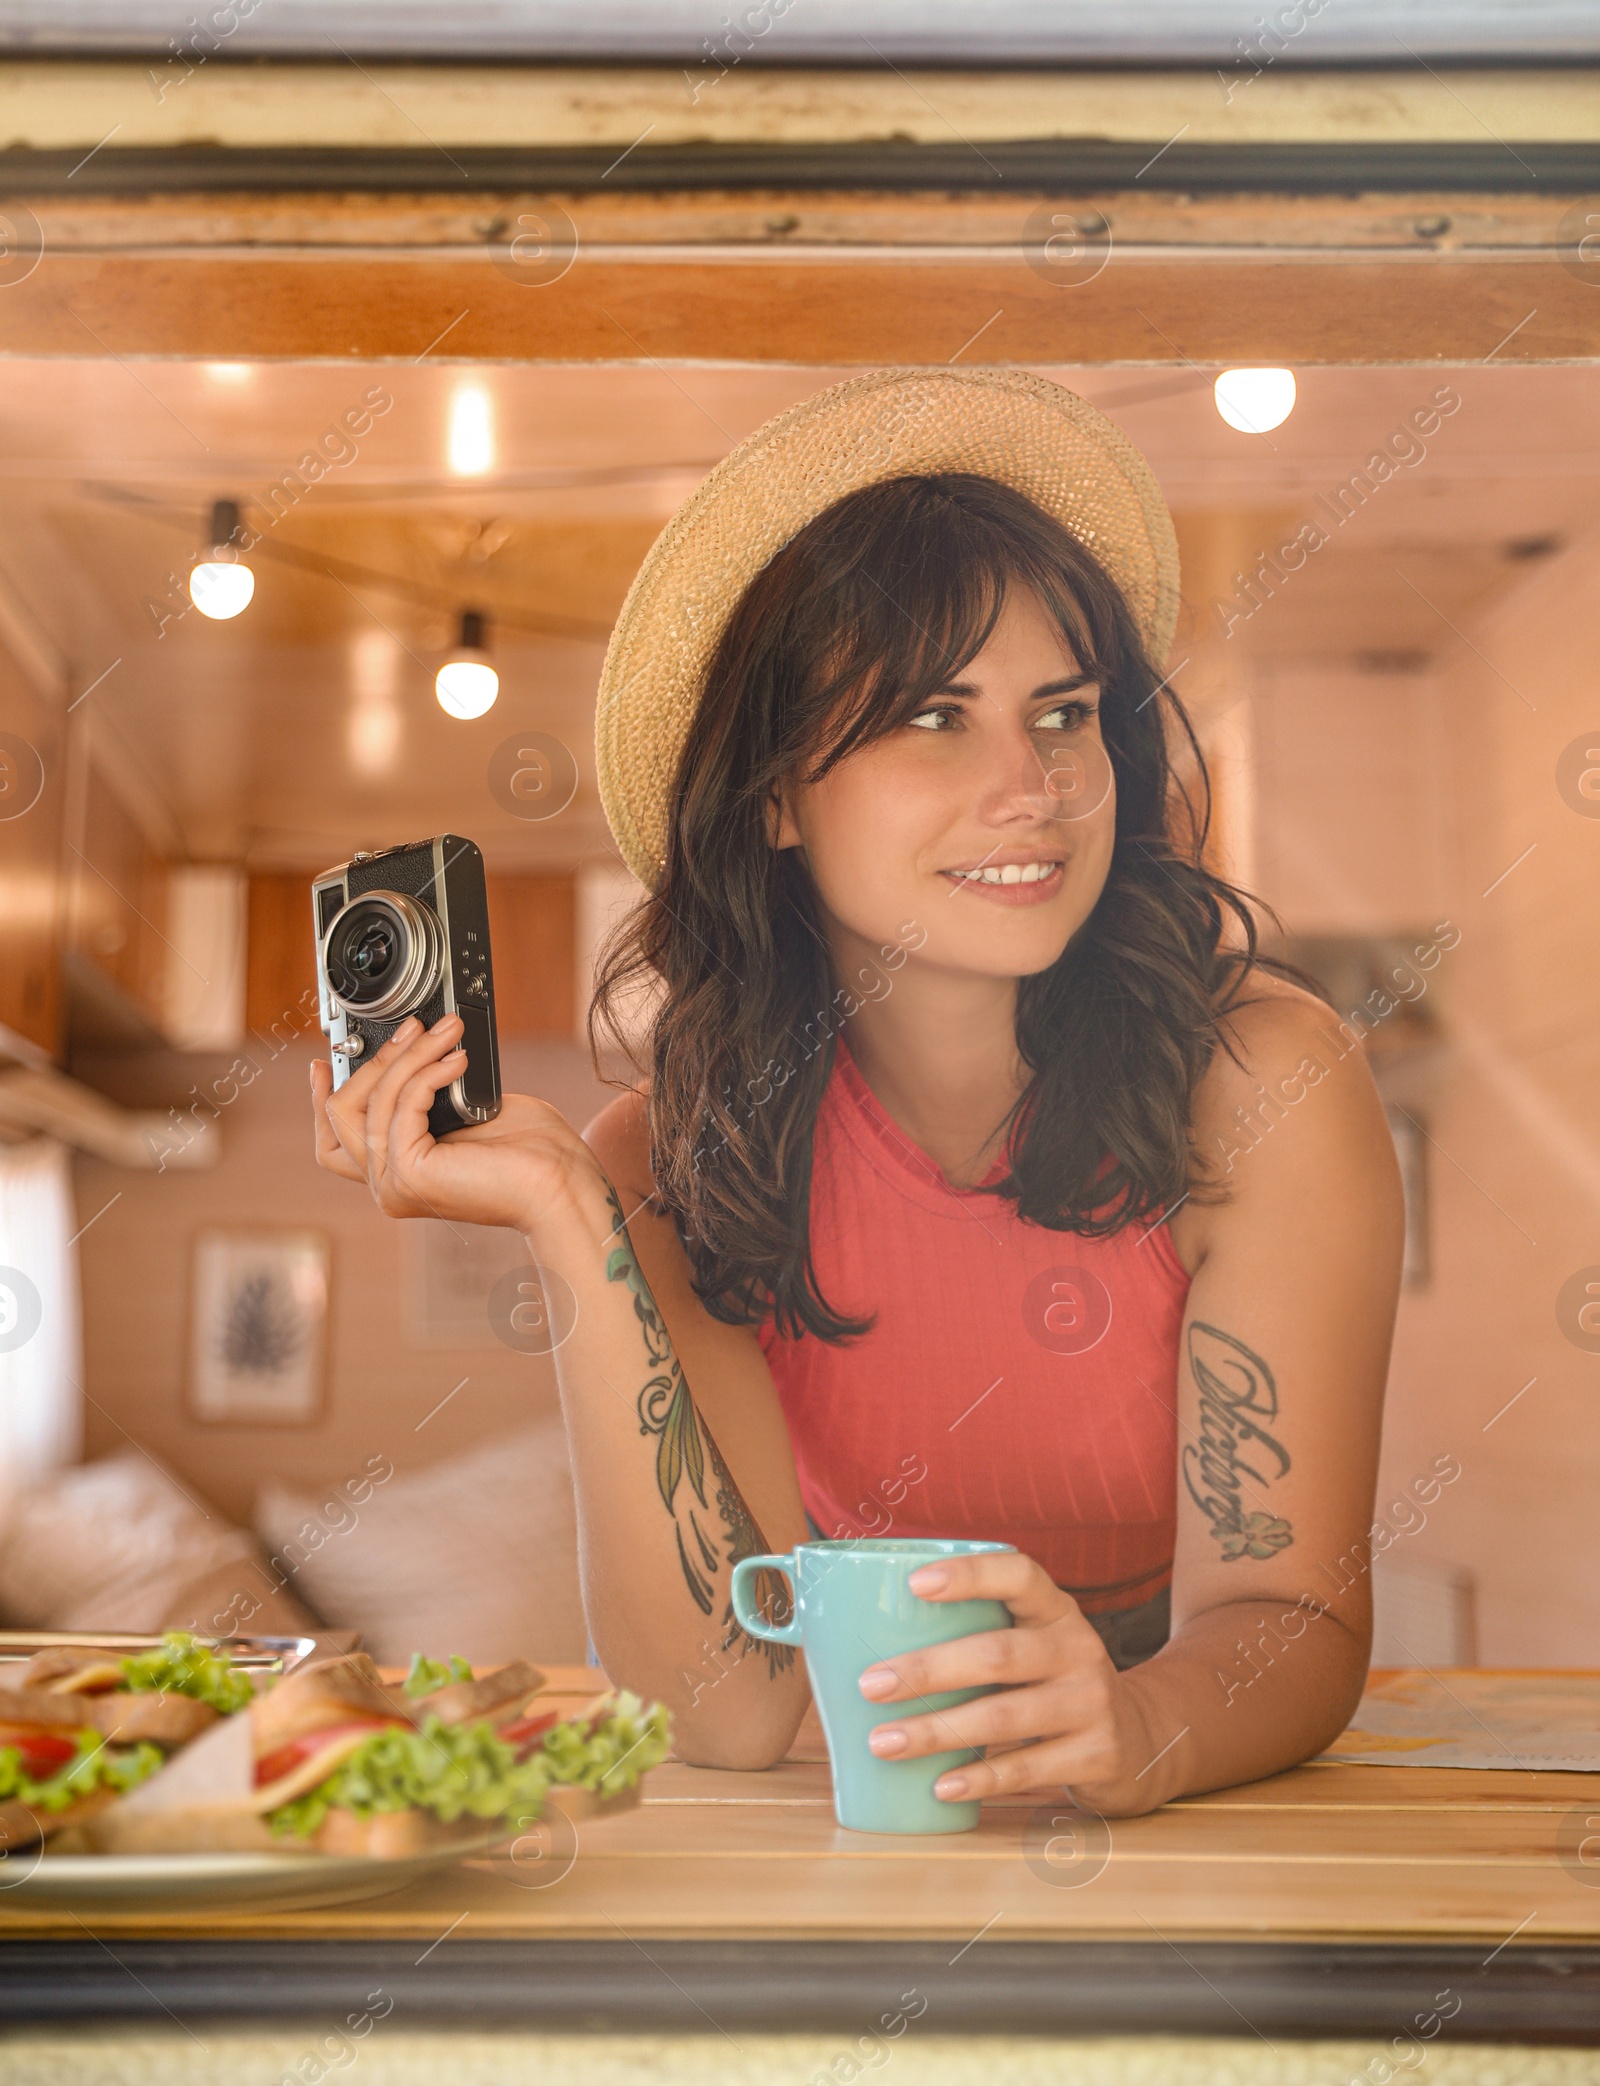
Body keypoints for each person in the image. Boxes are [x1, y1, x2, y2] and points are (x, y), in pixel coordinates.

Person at [312, 369, 1403, 1818]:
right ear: (773, 795)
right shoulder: (671, 1155)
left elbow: (1293, 1618)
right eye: (935, 716)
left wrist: (1133, 1727)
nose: (1035, 785)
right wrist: (571, 1217)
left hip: (1206, 1804)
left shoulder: (1266, 1085)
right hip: (866, 1815)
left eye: (1064, 713)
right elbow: (727, 1707)